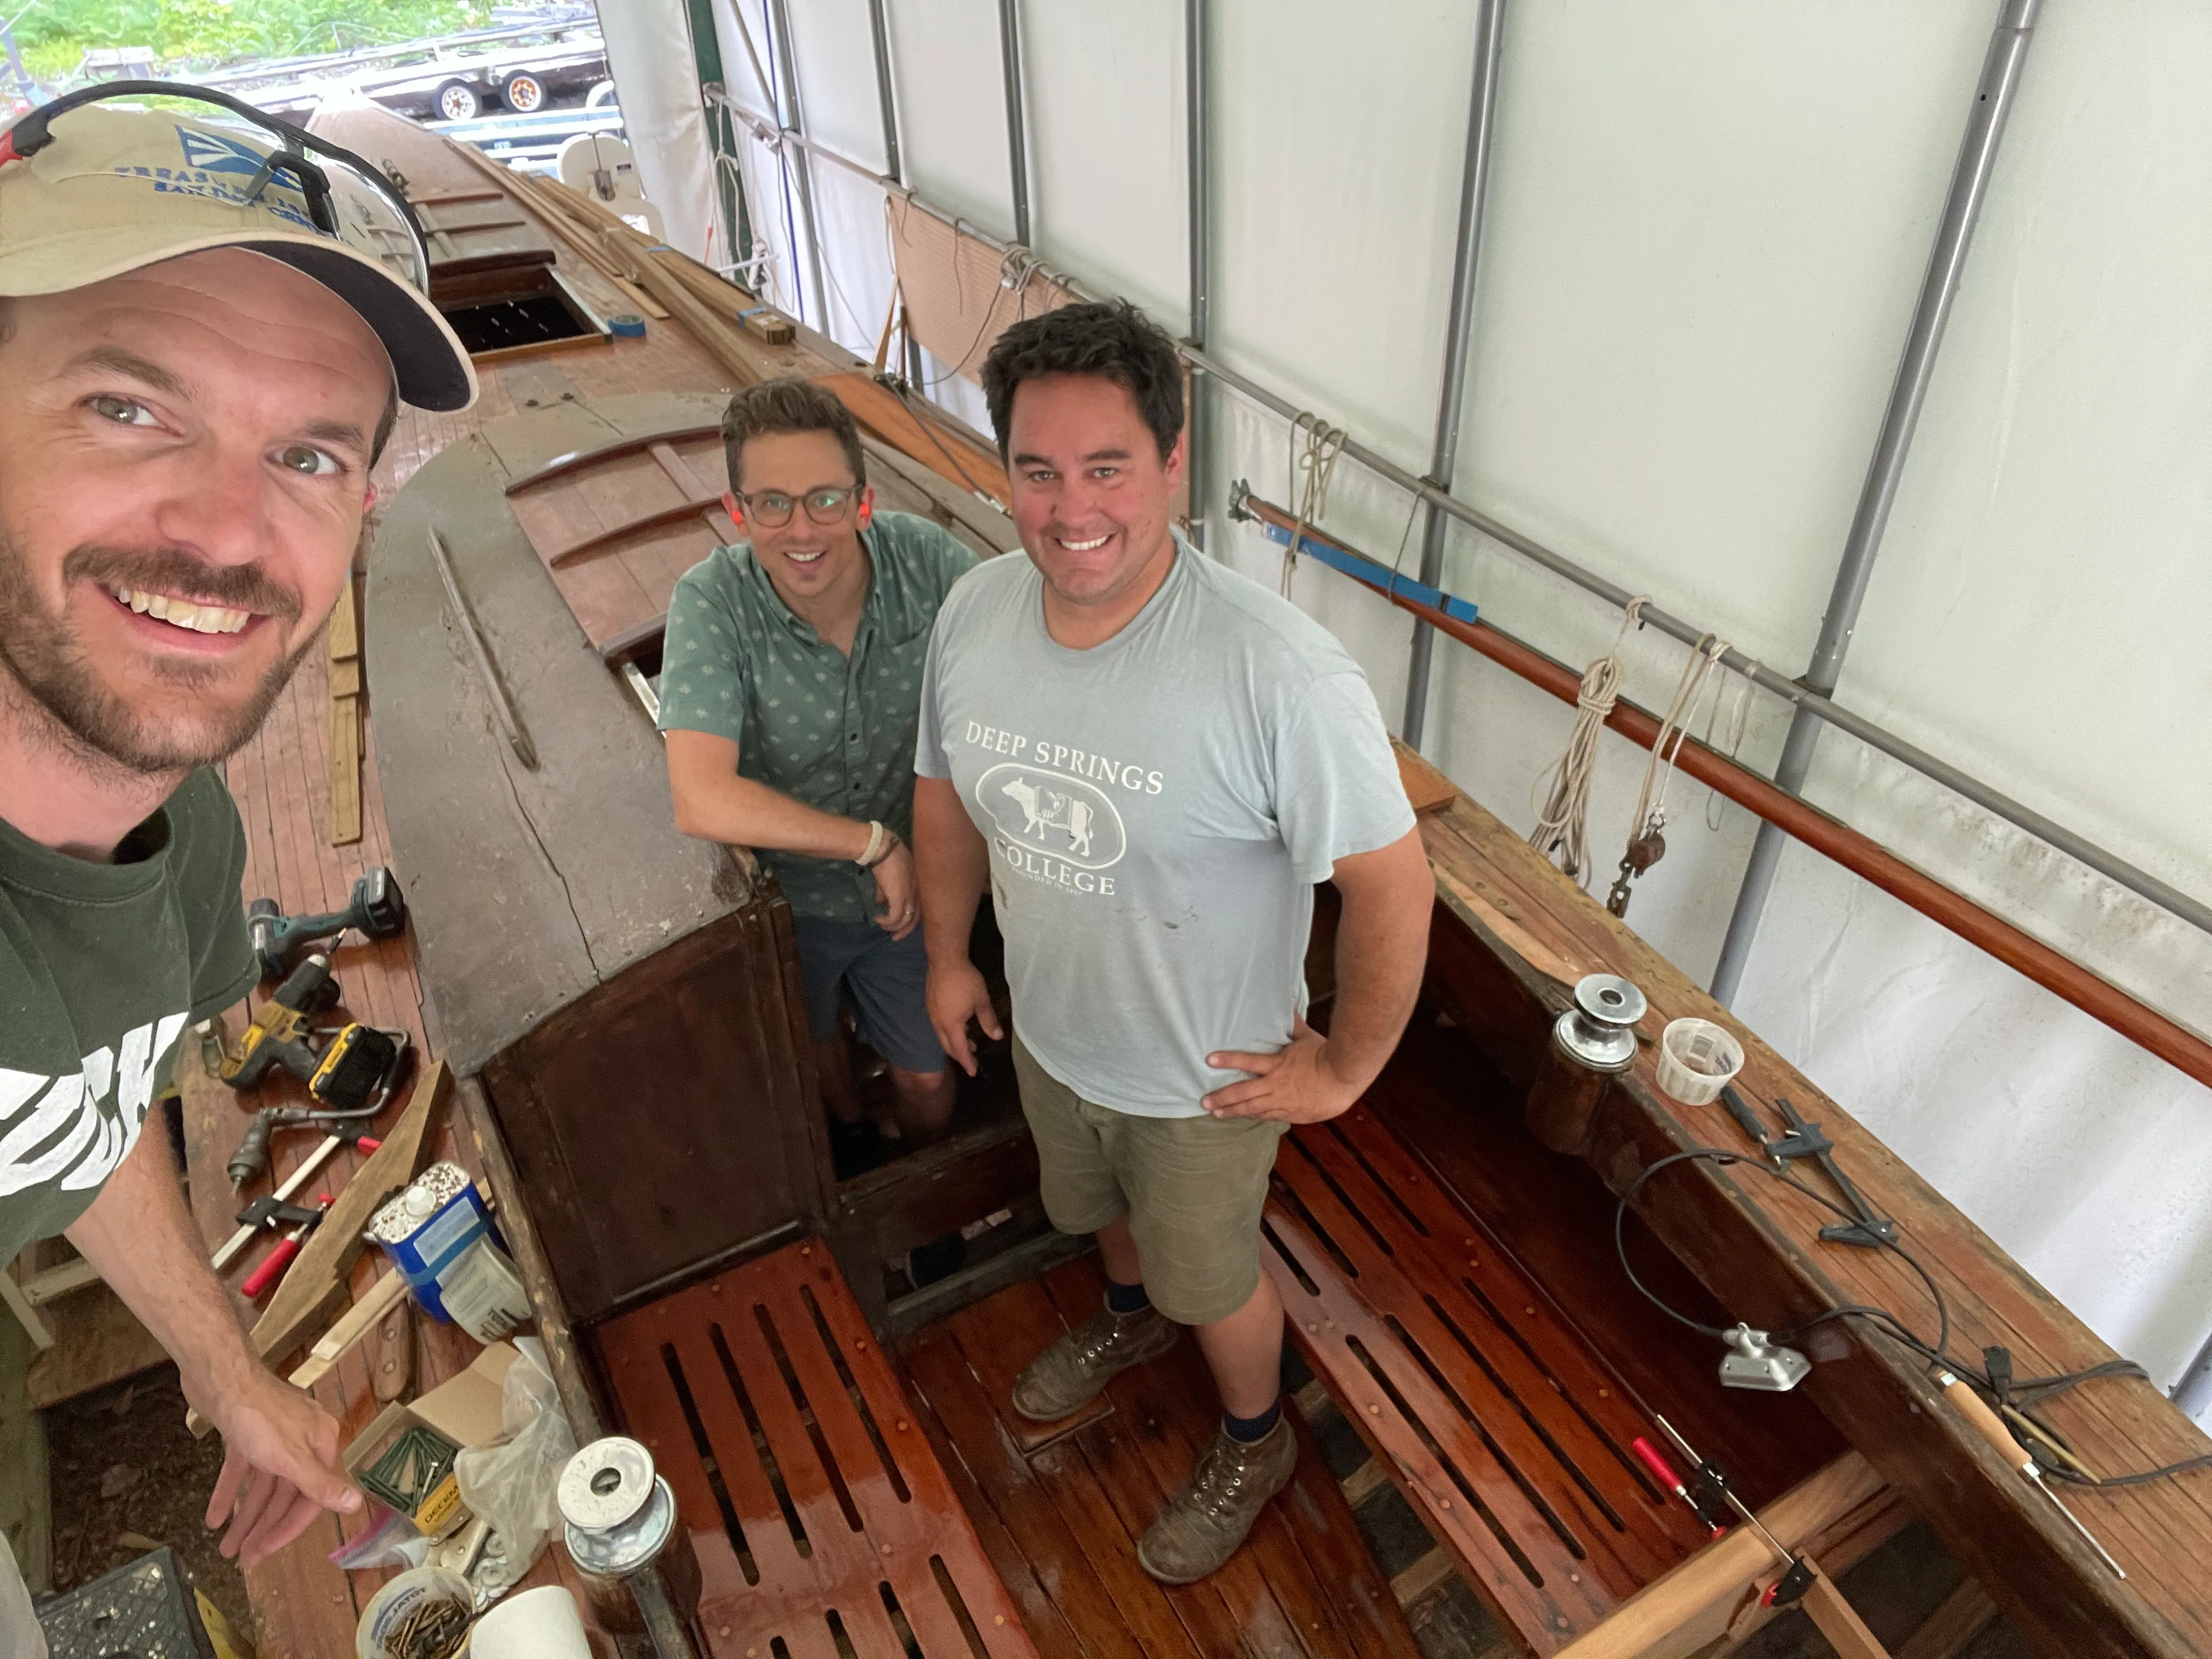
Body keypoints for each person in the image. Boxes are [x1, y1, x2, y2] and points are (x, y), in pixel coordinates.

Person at [0, 84, 476, 1643]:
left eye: (313, 455)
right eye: (130, 407)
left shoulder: (181, 828)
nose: (224, 532)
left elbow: (70, 1111)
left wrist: (222, 1361)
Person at [912, 301, 1435, 1583]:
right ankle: (1130, 1320)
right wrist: (947, 957)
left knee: (1219, 1283)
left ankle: (1257, 1437)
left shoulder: (1280, 676)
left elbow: (1395, 885)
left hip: (1208, 1084)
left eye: (1107, 468)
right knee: (1091, 1214)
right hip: (1054, 1034)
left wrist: (1343, 1069)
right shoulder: (976, 612)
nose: (1069, 506)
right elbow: (940, 794)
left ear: (1173, 462)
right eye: (1038, 470)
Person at [659, 378, 978, 1180]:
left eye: (825, 500)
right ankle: (849, 1129)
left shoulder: (933, 566)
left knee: (927, 1076)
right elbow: (700, 796)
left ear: (863, 502)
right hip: (784, 900)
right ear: (737, 513)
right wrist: (870, 844)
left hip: (916, 905)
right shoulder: (712, 601)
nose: (801, 529)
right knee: (811, 1043)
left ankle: (924, 1182)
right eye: (772, 504)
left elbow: (1032, 662)